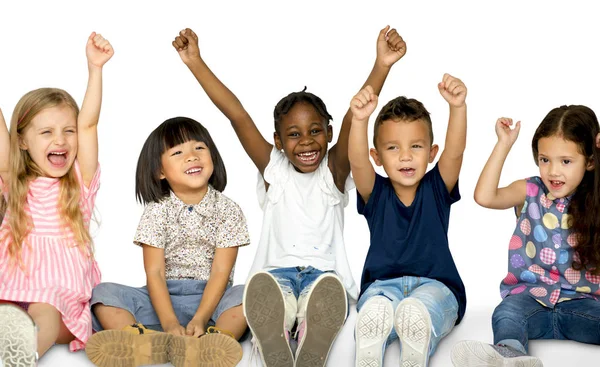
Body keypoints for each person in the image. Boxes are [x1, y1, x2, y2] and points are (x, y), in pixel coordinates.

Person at [171, 25, 405, 367]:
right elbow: (236, 114)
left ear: (328, 132)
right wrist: (195, 62)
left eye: (315, 132)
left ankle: (312, 336)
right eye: (293, 135)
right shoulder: (274, 170)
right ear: (278, 142)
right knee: (274, 302)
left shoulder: (333, 172)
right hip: (274, 276)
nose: (306, 142)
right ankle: (276, 337)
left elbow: (358, 115)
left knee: (322, 298)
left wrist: (382, 64)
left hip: (325, 279)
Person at [86, 117, 250, 367]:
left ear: (212, 158)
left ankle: (216, 342)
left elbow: (220, 272)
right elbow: (155, 273)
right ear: (160, 172)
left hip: (213, 300)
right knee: (103, 293)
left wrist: (200, 318)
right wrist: (170, 323)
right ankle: (140, 340)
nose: (192, 156)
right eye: (178, 152)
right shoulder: (156, 211)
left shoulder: (229, 210)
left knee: (245, 295)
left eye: (199, 148)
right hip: (161, 299)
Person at [452, 107, 600, 367]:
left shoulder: (596, 199)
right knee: (506, 314)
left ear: (589, 161)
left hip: (583, 306)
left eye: (566, 161)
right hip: (532, 301)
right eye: (545, 159)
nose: (553, 171)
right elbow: (485, 196)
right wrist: (503, 145)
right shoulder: (531, 190)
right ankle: (510, 355)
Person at [0, 32, 113, 364]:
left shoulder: (79, 181)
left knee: (44, 308)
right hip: (11, 284)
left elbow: (89, 123)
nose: (60, 140)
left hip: (58, 295)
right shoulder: (14, 181)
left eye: (68, 130)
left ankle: (21, 354)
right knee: (7, 310)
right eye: (46, 132)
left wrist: (95, 69)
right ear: (21, 142)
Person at [348, 73, 468, 367]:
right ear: (377, 156)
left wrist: (458, 108)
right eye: (393, 148)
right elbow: (356, 161)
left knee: (425, 306)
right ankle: (371, 341)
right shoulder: (375, 192)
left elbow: (455, 152)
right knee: (377, 306)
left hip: (436, 284)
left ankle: (419, 333)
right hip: (381, 286)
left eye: (416, 146)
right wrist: (359, 120)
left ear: (431, 153)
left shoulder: (437, 188)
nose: (405, 156)